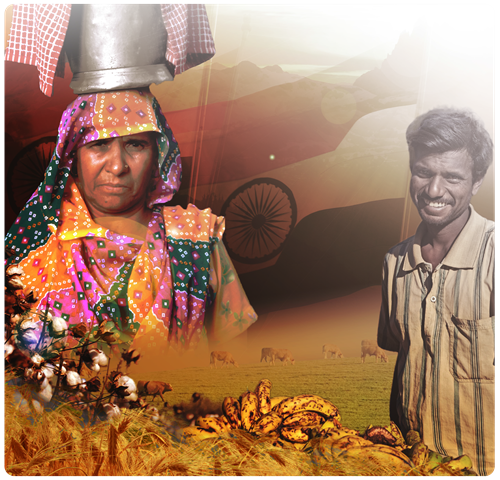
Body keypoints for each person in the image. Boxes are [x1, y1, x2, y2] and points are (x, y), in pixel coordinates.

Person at [4, 88, 257, 360]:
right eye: (99, 144)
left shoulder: (196, 236)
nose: (117, 166)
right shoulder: (35, 244)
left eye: (135, 144)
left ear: (158, 155)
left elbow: (234, 358)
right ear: (72, 155)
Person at [377, 107, 494, 476]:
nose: (433, 190)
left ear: (477, 181)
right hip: (410, 465)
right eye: (423, 172)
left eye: (452, 177)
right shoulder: (395, 264)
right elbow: (404, 354)